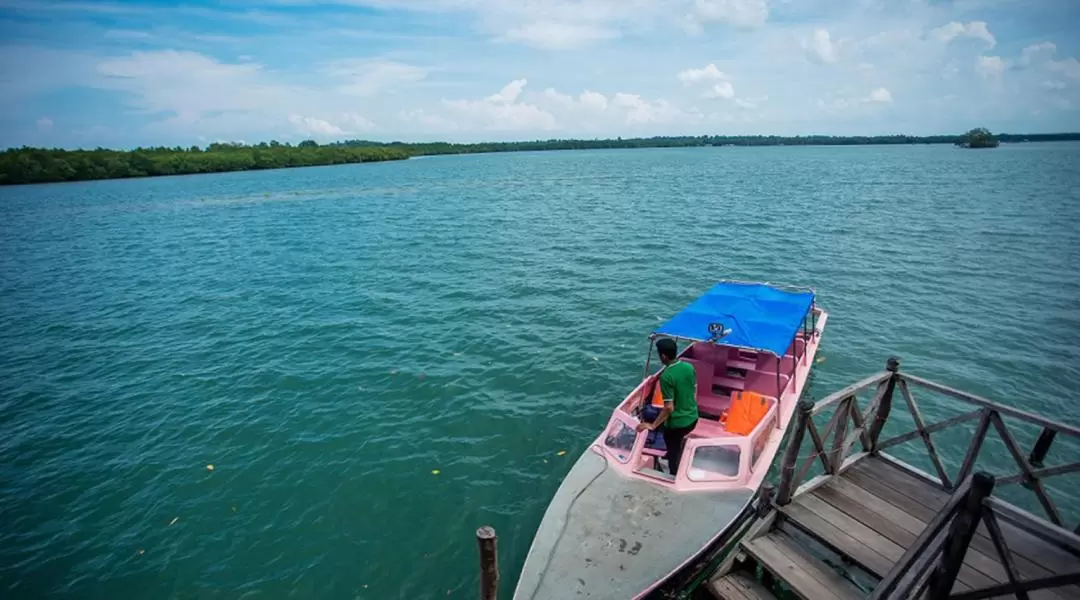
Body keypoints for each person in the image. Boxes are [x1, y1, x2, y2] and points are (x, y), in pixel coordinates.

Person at [637, 338, 699, 475]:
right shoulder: (689, 367)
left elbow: (669, 407)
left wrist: (652, 425)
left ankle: (673, 474)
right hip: (693, 417)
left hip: (678, 424)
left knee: (673, 450)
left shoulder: (666, 376)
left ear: (663, 356)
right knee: (674, 441)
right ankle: (674, 451)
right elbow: (694, 389)